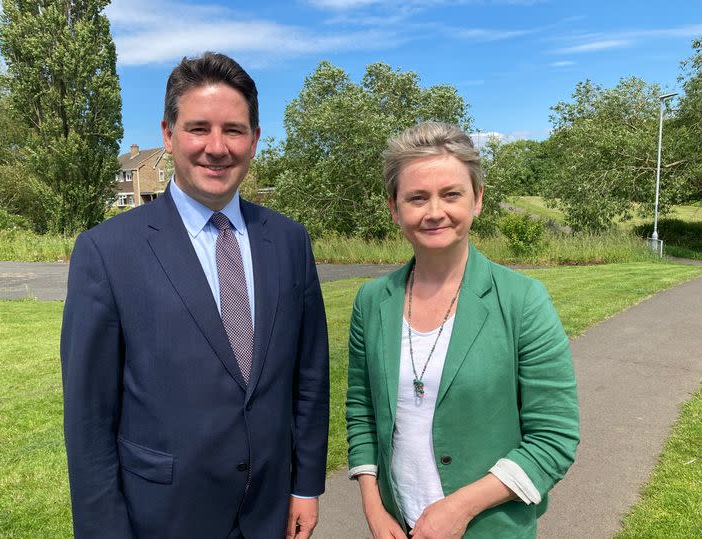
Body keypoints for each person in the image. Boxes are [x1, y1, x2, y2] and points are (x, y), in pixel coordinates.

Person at [61, 52, 330, 539]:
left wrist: (307, 485)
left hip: (270, 512)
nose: (217, 147)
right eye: (198, 128)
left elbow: (309, 376)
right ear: (168, 135)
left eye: (234, 130)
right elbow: (89, 420)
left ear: (255, 139)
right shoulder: (107, 251)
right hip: (163, 516)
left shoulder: (290, 241)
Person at [345, 122, 579, 538]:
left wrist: (458, 508)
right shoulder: (371, 302)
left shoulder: (523, 301)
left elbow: (554, 437)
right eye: (417, 198)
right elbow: (362, 413)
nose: (435, 211)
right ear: (395, 209)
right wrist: (374, 508)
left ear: (478, 201)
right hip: (397, 525)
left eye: (451, 194)